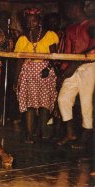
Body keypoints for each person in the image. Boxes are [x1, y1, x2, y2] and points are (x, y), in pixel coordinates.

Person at [14, 8, 59, 143]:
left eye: (33, 21)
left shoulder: (50, 35)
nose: (30, 24)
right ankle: (29, 133)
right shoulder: (22, 39)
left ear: (39, 21)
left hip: (45, 71)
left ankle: (41, 129)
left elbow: (54, 56)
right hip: (28, 72)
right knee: (30, 104)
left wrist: (48, 68)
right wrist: (16, 79)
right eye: (28, 21)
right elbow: (19, 61)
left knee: (44, 103)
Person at [57, 0, 95, 149]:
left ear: (80, 7)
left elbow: (93, 46)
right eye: (66, 7)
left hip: (89, 66)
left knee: (86, 102)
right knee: (63, 99)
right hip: (73, 66)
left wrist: (76, 63)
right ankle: (70, 132)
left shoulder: (91, 24)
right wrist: (64, 70)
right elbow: (67, 50)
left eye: (71, 7)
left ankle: (86, 135)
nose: (68, 10)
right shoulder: (70, 28)